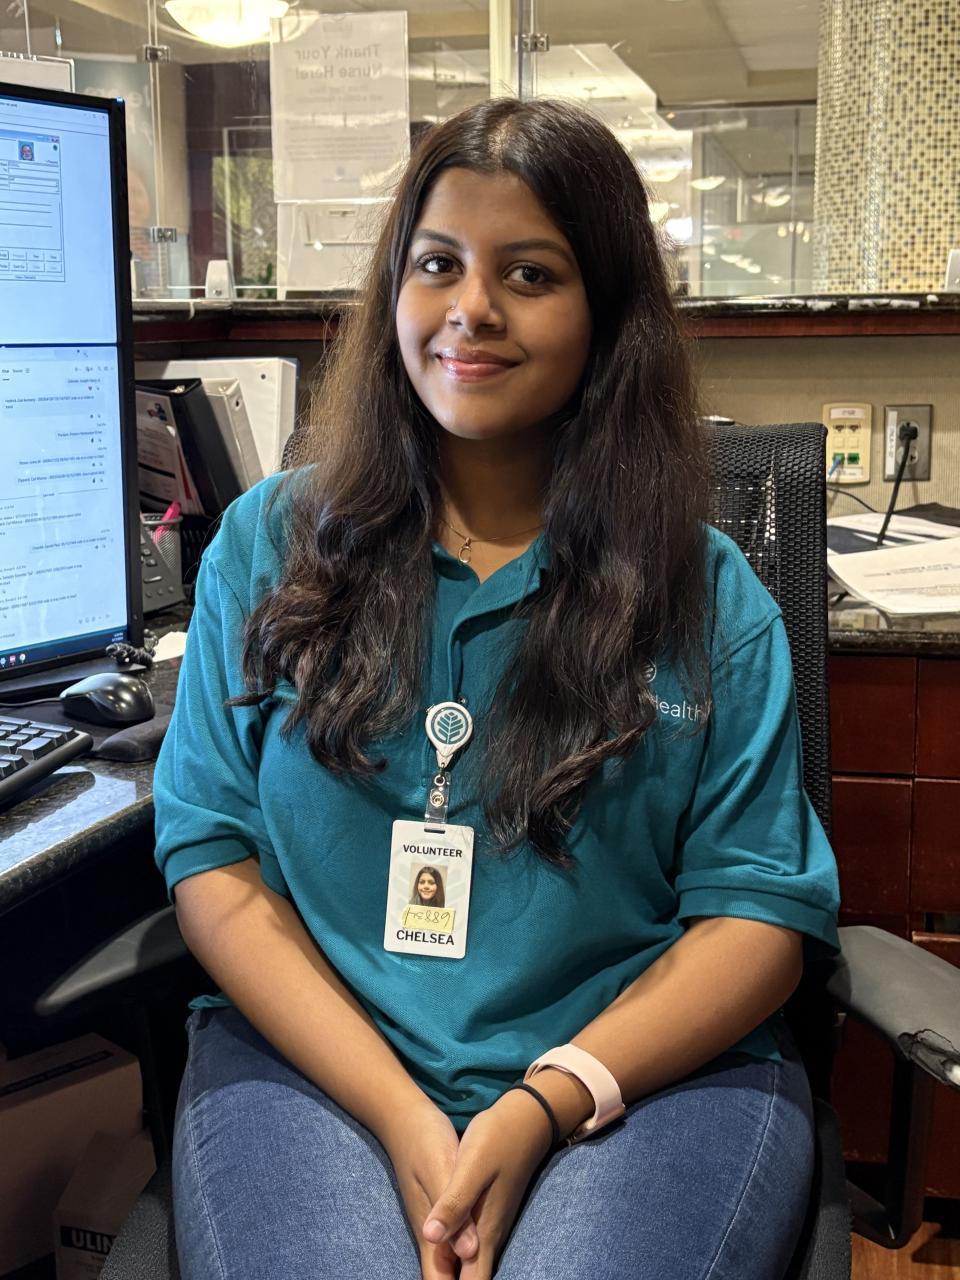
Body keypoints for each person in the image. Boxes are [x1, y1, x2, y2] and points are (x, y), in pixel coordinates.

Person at [154, 96, 840, 1280]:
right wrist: (400, 1109)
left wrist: (546, 1098)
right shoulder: (268, 545)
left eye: (529, 273)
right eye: (438, 264)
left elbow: (758, 917)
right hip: (320, 1061)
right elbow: (213, 857)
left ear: (606, 310)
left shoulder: (706, 592)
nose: (471, 308)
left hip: (634, 1070)